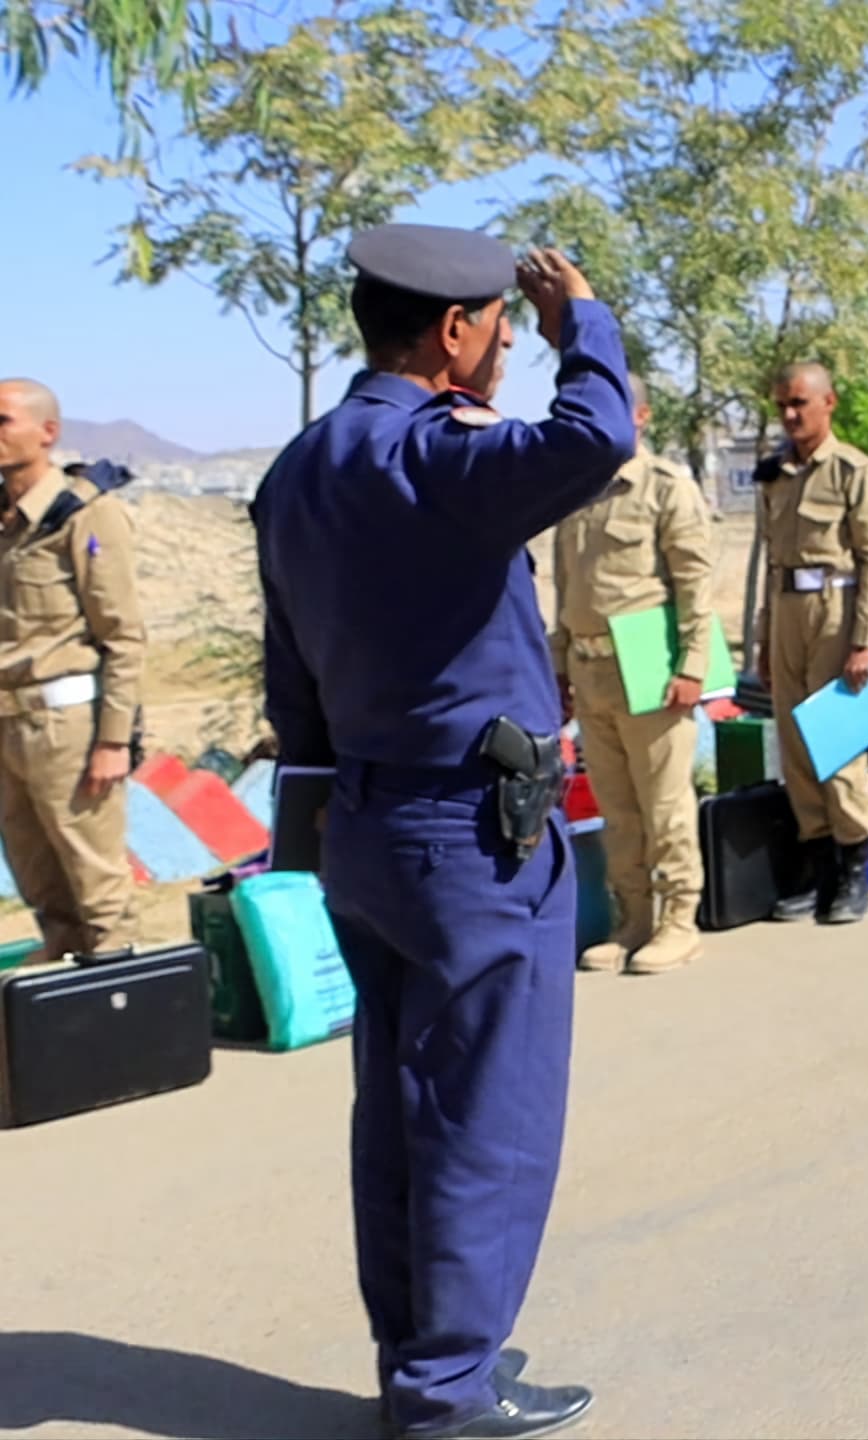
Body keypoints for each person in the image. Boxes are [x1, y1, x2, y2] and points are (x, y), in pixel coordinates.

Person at [252, 224, 632, 1437]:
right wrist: (588, 320)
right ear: (454, 332)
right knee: (485, 1113)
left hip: (365, 821)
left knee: (401, 1111)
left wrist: (309, 838)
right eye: (501, 327)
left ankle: (423, 1358)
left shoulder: (300, 469)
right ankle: (447, 1392)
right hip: (473, 836)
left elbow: (291, 683)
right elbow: (601, 436)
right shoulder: (438, 457)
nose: (512, 343)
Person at [551, 374, 714, 973]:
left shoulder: (666, 488)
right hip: (591, 666)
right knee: (618, 806)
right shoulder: (577, 491)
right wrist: (559, 665)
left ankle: (679, 920)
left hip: (649, 658)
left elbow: (695, 583)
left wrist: (693, 665)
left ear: (641, 416)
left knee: (664, 800)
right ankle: (633, 920)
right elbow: (567, 587)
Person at [0, 377, 143, 964]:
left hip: (66, 730)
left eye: (3, 421)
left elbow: (124, 637)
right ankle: (67, 1039)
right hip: (9, 732)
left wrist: (114, 740)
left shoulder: (85, 516)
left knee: (100, 894)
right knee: (45, 893)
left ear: (47, 432)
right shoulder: (7, 522)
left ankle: (129, 1031)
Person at [754, 362, 868, 925]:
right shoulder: (776, 476)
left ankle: (854, 866)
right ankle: (820, 869)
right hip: (788, 611)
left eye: (800, 404)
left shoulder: (853, 472)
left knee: (836, 740)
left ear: (828, 403)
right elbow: (771, 565)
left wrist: (863, 641)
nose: (790, 415)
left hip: (834, 612)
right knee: (795, 745)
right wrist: (764, 640)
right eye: (783, 405)